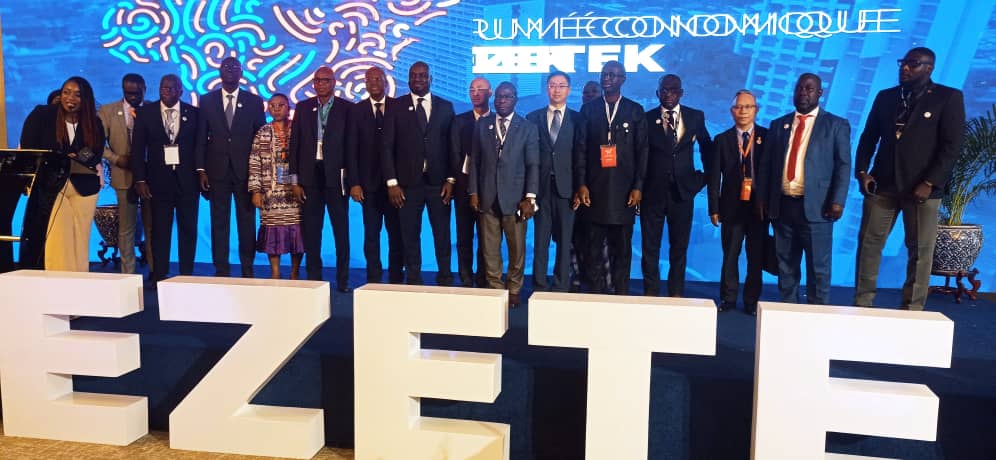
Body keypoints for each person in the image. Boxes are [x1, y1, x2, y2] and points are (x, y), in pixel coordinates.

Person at [853, 47, 965, 311]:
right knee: (869, 245)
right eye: (903, 62)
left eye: (913, 64)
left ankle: (912, 309)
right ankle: (862, 304)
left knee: (920, 251)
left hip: (922, 189)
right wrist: (862, 172)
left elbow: (952, 146)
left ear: (929, 68)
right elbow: (868, 138)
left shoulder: (947, 97)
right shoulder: (886, 97)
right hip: (882, 185)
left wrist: (930, 182)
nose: (905, 67)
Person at [758, 73, 850, 305]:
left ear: (820, 93)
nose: (803, 93)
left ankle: (817, 313)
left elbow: (843, 165)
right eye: (799, 88)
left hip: (819, 207)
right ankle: (788, 309)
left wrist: (838, 200)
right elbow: (766, 165)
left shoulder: (836, 125)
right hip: (782, 206)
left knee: (818, 266)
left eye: (809, 89)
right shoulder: (778, 125)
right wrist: (763, 199)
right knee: (785, 264)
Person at [576, 61, 648, 295]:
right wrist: (581, 184)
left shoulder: (634, 110)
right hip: (594, 189)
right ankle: (595, 293)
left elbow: (642, 151)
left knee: (623, 248)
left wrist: (638, 187)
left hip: (624, 191)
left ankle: (621, 293)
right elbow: (581, 150)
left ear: (623, 79)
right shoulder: (589, 110)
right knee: (593, 248)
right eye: (604, 74)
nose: (607, 78)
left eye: (612, 75)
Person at [381, 61, 456, 285]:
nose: (418, 79)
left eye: (423, 75)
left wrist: (451, 179)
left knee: (442, 234)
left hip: (438, 184)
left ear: (430, 79)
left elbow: (453, 147)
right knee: (409, 235)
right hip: (406, 184)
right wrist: (392, 182)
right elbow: (386, 146)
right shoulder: (395, 107)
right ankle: (413, 278)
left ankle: (445, 277)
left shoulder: (445, 107)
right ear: (408, 79)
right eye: (414, 75)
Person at [19, 76, 105, 271]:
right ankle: (59, 278)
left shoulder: (93, 122)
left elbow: (94, 153)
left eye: (77, 94)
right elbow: (30, 148)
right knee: (59, 237)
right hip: (52, 185)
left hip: (84, 187)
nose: (70, 98)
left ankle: (79, 277)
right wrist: (66, 155)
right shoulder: (42, 115)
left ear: (86, 99)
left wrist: (75, 156)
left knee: (80, 240)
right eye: (66, 92)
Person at [640, 74, 713, 297]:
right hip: (652, 193)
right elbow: (639, 155)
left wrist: (701, 180)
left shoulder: (695, 117)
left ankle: (676, 295)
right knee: (650, 248)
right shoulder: (646, 118)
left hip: (683, 194)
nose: (668, 94)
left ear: (681, 93)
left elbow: (709, 151)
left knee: (679, 249)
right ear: (657, 93)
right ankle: (651, 294)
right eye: (664, 90)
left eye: (673, 90)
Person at [469, 82, 539, 307]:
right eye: (498, 96)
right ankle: (496, 289)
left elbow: (533, 164)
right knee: (490, 249)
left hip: (516, 199)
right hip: (487, 196)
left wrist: (530, 197)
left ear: (515, 99)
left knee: (516, 248)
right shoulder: (483, 125)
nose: (501, 100)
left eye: (507, 97)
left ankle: (514, 288)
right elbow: (475, 161)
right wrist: (474, 191)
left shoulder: (527, 127)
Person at [195, 56, 266, 278]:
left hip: (245, 172)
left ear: (241, 73)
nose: (231, 70)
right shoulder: (207, 101)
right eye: (226, 67)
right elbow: (200, 138)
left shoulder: (254, 101)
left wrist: (259, 174)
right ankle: (221, 268)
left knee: (247, 222)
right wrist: (201, 169)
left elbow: (260, 139)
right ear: (219, 71)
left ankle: (247, 267)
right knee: (219, 222)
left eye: (235, 67)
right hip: (216, 171)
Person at [288, 66, 353, 292]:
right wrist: (294, 181)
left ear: (334, 83)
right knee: (312, 232)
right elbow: (294, 145)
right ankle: (314, 278)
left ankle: (343, 280)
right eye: (317, 80)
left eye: (326, 80)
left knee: (341, 231)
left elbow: (352, 146)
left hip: (337, 177)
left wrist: (352, 179)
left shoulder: (347, 108)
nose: (321, 84)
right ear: (313, 83)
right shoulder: (303, 107)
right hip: (310, 177)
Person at [131, 74, 200, 282]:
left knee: (188, 229)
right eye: (163, 87)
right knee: (160, 230)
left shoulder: (194, 113)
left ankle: (187, 274)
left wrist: (201, 172)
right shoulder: (146, 113)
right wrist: (140, 180)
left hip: (187, 181)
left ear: (181, 91)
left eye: (172, 88)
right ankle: (159, 274)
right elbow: (137, 149)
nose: (167, 91)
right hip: (158, 181)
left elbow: (200, 147)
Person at [707, 90, 768, 315]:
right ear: (732, 111)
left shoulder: (767, 137)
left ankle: (752, 302)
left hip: (759, 208)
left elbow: (773, 174)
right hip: (731, 207)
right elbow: (714, 177)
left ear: (756, 110)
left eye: (748, 107)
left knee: (755, 257)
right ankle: (728, 298)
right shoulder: (721, 139)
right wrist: (713, 208)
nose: (743, 111)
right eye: (738, 107)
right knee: (730, 255)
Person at [528, 70, 585, 292]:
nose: (557, 89)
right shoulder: (533, 117)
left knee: (564, 240)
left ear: (568, 90)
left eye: (561, 85)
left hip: (567, 189)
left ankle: (561, 286)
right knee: (540, 241)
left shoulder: (578, 119)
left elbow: (581, 156)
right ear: (547, 89)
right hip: (540, 188)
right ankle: (539, 285)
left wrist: (580, 187)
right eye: (552, 85)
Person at [347, 66, 403, 284]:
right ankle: (374, 279)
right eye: (369, 80)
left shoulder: (398, 107)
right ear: (365, 83)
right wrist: (354, 183)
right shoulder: (356, 110)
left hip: (396, 185)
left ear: (385, 82)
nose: (373, 83)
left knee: (396, 234)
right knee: (371, 235)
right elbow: (351, 149)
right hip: (368, 186)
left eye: (377, 79)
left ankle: (396, 278)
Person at [98, 73, 154, 276]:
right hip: (123, 174)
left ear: (145, 89)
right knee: (126, 227)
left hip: (150, 176)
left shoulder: (153, 109)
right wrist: (116, 159)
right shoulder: (107, 111)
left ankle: (155, 272)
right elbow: (97, 143)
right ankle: (128, 273)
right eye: (128, 93)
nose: (133, 97)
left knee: (152, 226)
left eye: (137, 93)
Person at [248, 94, 303, 279]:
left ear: (289, 108)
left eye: (281, 105)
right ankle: (275, 274)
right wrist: (256, 191)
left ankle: (294, 273)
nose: (277, 109)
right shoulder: (263, 132)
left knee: (296, 232)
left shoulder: (298, 129)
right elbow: (254, 162)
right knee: (273, 232)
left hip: (295, 190)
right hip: (270, 192)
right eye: (272, 105)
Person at [450, 76, 492, 287]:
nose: (476, 93)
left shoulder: (498, 120)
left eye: (480, 89)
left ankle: (484, 278)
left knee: (487, 239)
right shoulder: (459, 121)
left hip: (490, 190)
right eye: (472, 89)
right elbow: (454, 155)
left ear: (490, 93)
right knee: (464, 237)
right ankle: (465, 278)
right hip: (464, 188)